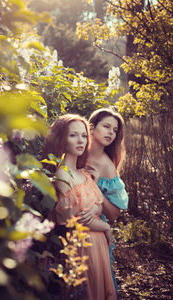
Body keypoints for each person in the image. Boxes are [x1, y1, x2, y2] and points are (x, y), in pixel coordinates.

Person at [43, 114, 117, 300]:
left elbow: (98, 205)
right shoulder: (63, 175)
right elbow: (75, 219)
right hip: (82, 248)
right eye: (73, 135)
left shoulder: (83, 172)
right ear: (62, 138)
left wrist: (95, 209)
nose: (81, 140)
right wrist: (106, 227)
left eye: (84, 135)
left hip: (98, 246)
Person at [79, 107, 129, 298]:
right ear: (91, 128)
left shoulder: (107, 167)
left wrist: (95, 186)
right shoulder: (77, 148)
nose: (110, 132)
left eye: (114, 130)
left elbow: (114, 214)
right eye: (106, 126)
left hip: (93, 229)